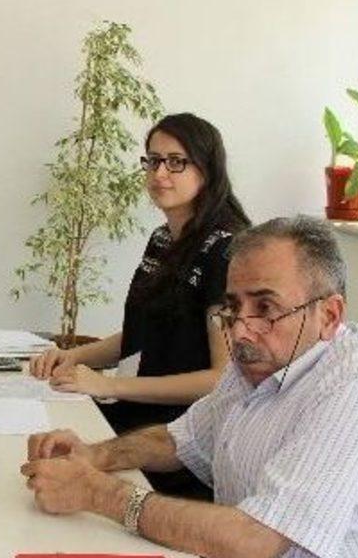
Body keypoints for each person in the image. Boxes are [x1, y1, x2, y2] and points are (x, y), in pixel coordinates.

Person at [20, 216, 358, 558]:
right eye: (234, 307)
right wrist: (95, 455)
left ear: (329, 315)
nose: (240, 329)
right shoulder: (260, 361)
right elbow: (180, 440)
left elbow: (254, 542)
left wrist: (99, 494)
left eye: (266, 308)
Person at [30, 113, 251, 437]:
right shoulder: (162, 239)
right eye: (153, 160)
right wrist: (71, 356)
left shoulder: (227, 250)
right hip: (134, 410)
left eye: (176, 162)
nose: (160, 173)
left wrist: (108, 385)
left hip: (181, 433)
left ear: (207, 170)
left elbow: (221, 378)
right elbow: (146, 331)